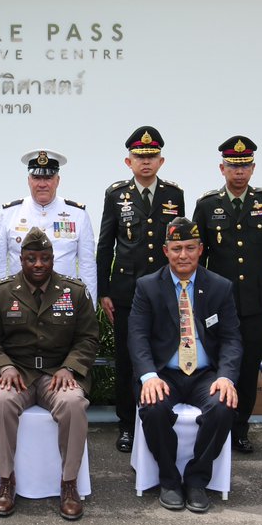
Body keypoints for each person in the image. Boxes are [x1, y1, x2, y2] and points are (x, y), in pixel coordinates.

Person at [0, 228, 100, 520]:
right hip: (15, 372)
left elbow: (88, 338)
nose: (38, 264)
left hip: (57, 372)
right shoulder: (1, 292)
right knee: (1, 402)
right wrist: (3, 365)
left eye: (44, 258)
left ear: (53, 258)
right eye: (31, 258)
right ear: (21, 259)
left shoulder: (75, 292)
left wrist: (70, 367)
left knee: (73, 404)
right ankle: (6, 482)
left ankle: (69, 484)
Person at [129, 217, 241, 514]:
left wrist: (227, 377)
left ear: (200, 249)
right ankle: (168, 479)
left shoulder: (219, 287)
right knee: (153, 408)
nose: (183, 255)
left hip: (206, 375)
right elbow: (137, 337)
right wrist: (149, 376)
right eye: (176, 248)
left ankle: (196, 479)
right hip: (164, 373)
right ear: (165, 251)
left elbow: (231, 339)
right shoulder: (148, 287)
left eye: (189, 247)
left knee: (223, 406)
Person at [191, 136, 262, 453]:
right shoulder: (207, 205)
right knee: (216, 364)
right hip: (217, 303)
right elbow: (196, 257)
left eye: (245, 165)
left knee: (246, 368)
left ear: (253, 167)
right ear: (222, 168)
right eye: (233, 165)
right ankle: (215, 421)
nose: (240, 172)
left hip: (254, 303)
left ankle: (240, 429)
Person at [96, 126, 185, 453]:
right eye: (139, 157)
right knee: (127, 359)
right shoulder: (116, 194)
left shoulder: (174, 195)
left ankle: (156, 417)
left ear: (161, 161)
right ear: (128, 161)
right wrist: (104, 289)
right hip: (126, 292)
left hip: (164, 291)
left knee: (161, 356)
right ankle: (126, 425)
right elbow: (106, 246)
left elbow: (180, 246)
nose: (145, 162)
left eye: (150, 157)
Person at [0, 149, 96, 300]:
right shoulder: (9, 213)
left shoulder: (77, 214)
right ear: (28, 180)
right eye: (37, 177)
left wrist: (88, 309)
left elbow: (87, 267)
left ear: (58, 180)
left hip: (64, 300)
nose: (42, 184)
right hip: (19, 300)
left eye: (48, 178)